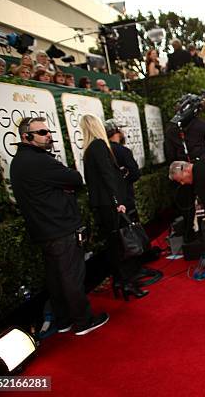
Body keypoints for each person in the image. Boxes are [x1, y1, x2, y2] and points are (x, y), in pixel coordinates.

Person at [10, 117, 109, 335]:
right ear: (26, 137)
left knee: (56, 279)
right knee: (71, 277)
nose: (49, 136)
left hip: (43, 231)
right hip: (60, 229)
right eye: (43, 132)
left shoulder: (18, 162)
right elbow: (74, 178)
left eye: (49, 131)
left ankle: (63, 321)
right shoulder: (40, 161)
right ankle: (83, 321)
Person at [80, 114, 148, 301]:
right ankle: (128, 283)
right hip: (111, 205)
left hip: (101, 206)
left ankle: (120, 281)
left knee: (114, 244)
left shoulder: (88, 150)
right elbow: (108, 176)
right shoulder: (100, 146)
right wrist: (118, 202)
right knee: (122, 244)